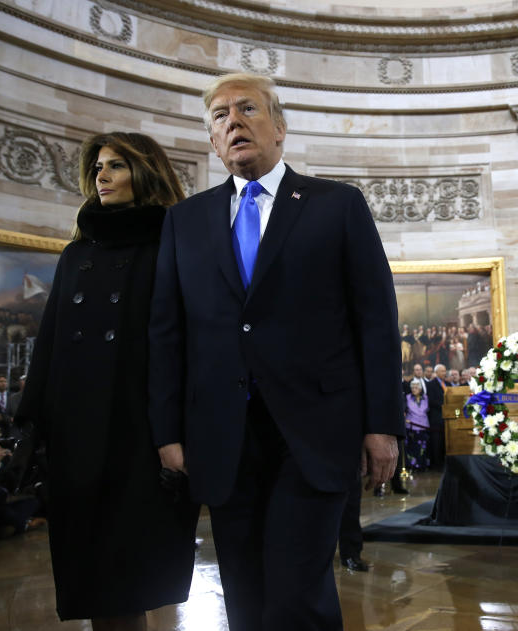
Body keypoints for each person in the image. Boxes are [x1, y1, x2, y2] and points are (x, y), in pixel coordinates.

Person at [147, 72, 403, 631]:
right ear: (213, 141)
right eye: (220, 115)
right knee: (244, 591)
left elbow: (377, 321)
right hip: (222, 435)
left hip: (314, 431)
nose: (233, 121)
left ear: (280, 127)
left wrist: (382, 424)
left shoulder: (337, 205)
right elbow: (167, 333)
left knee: (296, 592)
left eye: (247, 109)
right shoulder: (184, 222)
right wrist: (167, 431)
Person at [16, 132, 200, 630]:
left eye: (117, 165)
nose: (102, 175)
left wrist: (178, 432)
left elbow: (189, 346)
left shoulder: (175, 244)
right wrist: (31, 426)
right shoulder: (76, 254)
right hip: (76, 436)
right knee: (92, 579)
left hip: (141, 435)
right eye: (98, 166)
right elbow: (49, 344)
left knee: (129, 576)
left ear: (146, 173)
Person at [404, 378, 431, 471]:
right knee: (412, 448)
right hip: (411, 426)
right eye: (412, 387)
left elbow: (427, 410)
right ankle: (412, 466)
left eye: (416, 387)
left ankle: (423, 466)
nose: (414, 389)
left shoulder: (426, 397)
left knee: (423, 448)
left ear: (420, 389)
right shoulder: (407, 397)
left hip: (423, 426)